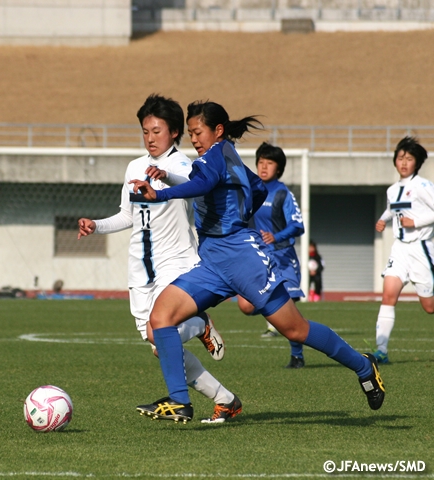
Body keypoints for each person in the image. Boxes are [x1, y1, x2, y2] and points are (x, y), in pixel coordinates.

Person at [129, 100, 385, 422]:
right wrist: (238, 212)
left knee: (296, 330)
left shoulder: (215, 156)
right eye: (191, 133)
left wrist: (160, 192)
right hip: (212, 262)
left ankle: (364, 366)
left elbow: (205, 184)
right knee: (161, 317)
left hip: (241, 259)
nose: (194, 139)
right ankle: (180, 401)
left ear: (217, 131)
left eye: (198, 132)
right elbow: (257, 188)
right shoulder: (225, 156)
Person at [78, 94, 238, 424]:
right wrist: (96, 225)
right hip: (141, 267)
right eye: (145, 131)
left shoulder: (183, 164)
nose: (150, 138)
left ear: (175, 132)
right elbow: (127, 216)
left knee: (158, 332)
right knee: (159, 346)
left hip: (177, 261)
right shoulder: (134, 167)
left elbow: (194, 185)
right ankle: (226, 400)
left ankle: (199, 323)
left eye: (157, 131)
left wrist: (164, 178)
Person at [236, 142, 306, 369]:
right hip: (259, 259)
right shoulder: (251, 191)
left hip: (283, 259)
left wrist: (276, 236)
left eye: (269, 163)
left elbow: (298, 225)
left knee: (290, 316)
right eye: (260, 162)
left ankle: (297, 356)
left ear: (279, 168)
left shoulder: (283, 194)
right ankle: (273, 312)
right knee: (246, 306)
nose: (263, 167)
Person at [373, 137, 433, 364]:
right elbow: (393, 209)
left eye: (409, 159)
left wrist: (415, 222)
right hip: (399, 250)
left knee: (429, 307)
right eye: (400, 158)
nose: (404, 163)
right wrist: (382, 219)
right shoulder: (392, 190)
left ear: (417, 163)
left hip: (421, 250)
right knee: (388, 295)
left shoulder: (423, 186)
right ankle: (381, 351)